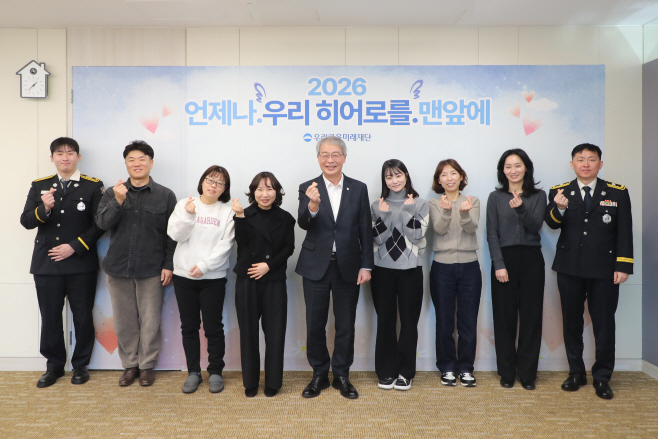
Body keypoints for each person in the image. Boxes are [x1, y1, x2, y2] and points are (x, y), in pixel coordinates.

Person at [545, 143, 633, 400]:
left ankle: (602, 377)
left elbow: (624, 231)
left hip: (605, 270)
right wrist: (559, 208)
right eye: (580, 159)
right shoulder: (559, 191)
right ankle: (576, 373)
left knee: (604, 324)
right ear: (572, 164)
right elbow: (551, 223)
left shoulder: (617, 192)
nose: (586, 164)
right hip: (569, 268)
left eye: (591, 159)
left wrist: (623, 265)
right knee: (571, 322)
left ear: (600, 164)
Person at [20, 137, 105, 388]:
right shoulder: (40, 185)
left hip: (81, 262)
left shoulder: (93, 186)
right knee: (50, 317)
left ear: (78, 157)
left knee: (82, 316)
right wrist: (44, 209)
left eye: (70, 153)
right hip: (47, 263)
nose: (65, 157)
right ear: (52, 158)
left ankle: (80, 365)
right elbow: (26, 221)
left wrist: (74, 246)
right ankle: (54, 366)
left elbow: (100, 224)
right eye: (59, 153)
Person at [296, 136, 374, 399]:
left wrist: (366, 265)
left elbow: (365, 229)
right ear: (318, 158)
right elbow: (304, 223)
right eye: (325, 155)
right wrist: (313, 206)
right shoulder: (308, 187)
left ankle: (342, 374)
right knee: (314, 324)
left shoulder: (358, 188)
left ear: (344, 157)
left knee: (346, 324)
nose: (330, 160)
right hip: (315, 266)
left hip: (348, 266)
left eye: (335, 154)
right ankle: (319, 374)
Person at [95, 140, 177, 387]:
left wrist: (169, 264)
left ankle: (147, 366)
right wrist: (118, 201)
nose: (137, 163)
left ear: (151, 162)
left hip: (152, 268)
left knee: (151, 320)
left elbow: (172, 235)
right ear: (126, 164)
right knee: (124, 321)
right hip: (118, 267)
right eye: (131, 159)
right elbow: (102, 224)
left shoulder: (165, 195)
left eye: (142, 158)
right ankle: (130, 365)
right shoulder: (112, 192)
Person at [167, 166, 235, 394]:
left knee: (213, 327)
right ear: (202, 181)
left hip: (213, 277)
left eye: (220, 183)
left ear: (225, 188)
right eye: (210, 180)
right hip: (184, 276)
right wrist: (188, 215)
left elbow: (226, 245)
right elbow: (176, 235)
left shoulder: (227, 211)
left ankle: (215, 371)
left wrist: (205, 266)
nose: (213, 186)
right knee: (189, 326)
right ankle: (193, 372)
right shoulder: (185, 204)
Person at [486, 149, 547, 390]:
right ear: (502, 171)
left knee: (531, 317)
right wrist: (498, 264)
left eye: (518, 165)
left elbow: (536, 226)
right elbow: (492, 233)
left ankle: (528, 373)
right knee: (504, 318)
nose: (513, 170)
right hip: (505, 259)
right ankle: (507, 372)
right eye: (508, 166)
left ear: (526, 168)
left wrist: (521, 208)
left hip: (532, 259)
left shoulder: (539, 195)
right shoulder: (495, 197)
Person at [232, 172, 295, 398]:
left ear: (277, 192)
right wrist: (239, 217)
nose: (264, 194)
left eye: (269, 189)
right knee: (248, 332)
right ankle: (250, 381)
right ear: (253, 192)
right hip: (247, 279)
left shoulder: (286, 218)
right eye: (259, 189)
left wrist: (268, 265)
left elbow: (288, 248)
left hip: (274, 280)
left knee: (275, 332)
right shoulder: (244, 214)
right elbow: (241, 243)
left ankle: (273, 382)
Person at [370, 160, 428, 391]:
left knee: (409, 322)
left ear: (406, 176)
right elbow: (377, 238)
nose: (394, 181)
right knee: (385, 321)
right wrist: (383, 215)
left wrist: (407, 210)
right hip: (382, 271)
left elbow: (416, 236)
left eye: (398, 175)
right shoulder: (376, 205)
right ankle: (386, 371)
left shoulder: (420, 203)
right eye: (389, 177)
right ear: (384, 180)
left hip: (411, 271)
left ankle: (405, 372)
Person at [428, 159, 481, 388]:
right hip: (442, 267)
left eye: (453, 173)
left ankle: (466, 368)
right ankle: (447, 367)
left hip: (470, 267)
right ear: (439, 180)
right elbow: (439, 229)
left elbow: (471, 227)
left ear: (461, 176)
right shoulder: (433, 203)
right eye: (444, 175)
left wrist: (465, 213)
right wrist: (448, 212)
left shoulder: (472, 201)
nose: (449, 178)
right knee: (444, 321)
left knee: (468, 321)